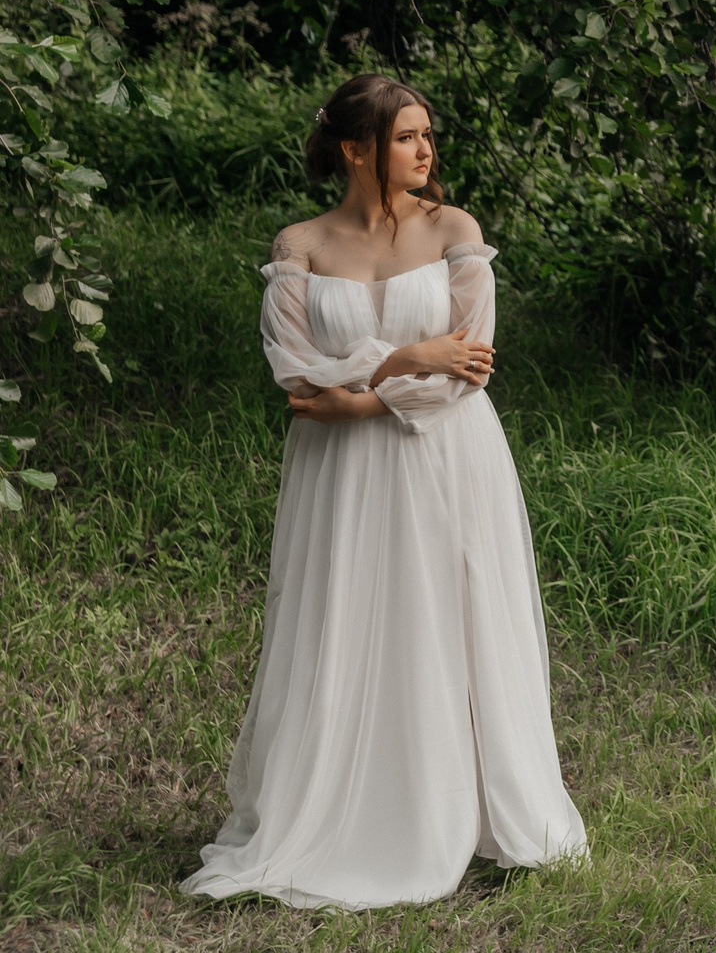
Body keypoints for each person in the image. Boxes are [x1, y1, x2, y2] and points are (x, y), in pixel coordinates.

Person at [183, 73, 586, 909]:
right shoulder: (302, 244)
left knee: (447, 617)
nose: (426, 150)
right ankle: (352, 808)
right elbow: (297, 375)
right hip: (340, 473)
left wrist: (365, 395)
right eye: (406, 137)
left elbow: (469, 364)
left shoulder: (454, 231)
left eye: (427, 134)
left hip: (443, 452)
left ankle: (470, 809)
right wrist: (406, 358)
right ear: (354, 148)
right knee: (349, 616)